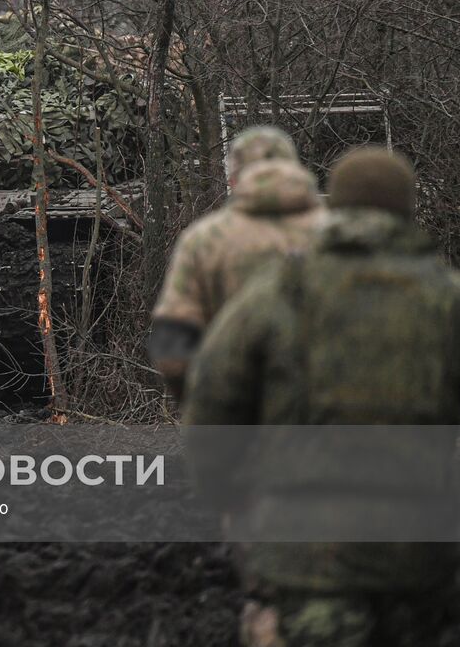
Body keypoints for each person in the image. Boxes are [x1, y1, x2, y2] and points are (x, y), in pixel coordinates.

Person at [184, 147, 460, 646]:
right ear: (407, 210)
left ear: (334, 208)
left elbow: (213, 403)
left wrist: (227, 496)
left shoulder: (278, 293)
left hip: (302, 557)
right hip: (421, 559)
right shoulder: (447, 298)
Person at [150, 125, 323, 400]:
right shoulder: (337, 232)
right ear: (295, 171)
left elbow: (173, 348)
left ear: (233, 179)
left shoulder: (206, 241)